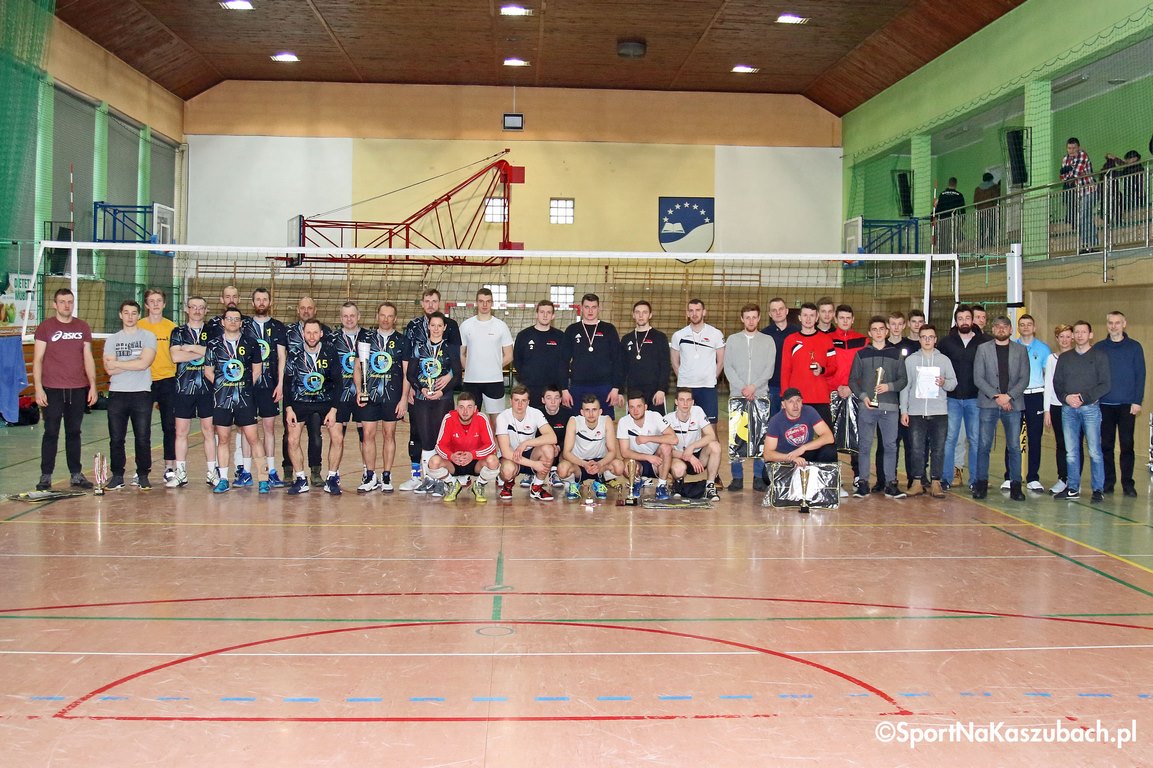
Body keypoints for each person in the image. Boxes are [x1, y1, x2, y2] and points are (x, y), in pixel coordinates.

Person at [33, 288, 97, 491]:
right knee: (51, 432)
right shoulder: (46, 327)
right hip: (52, 389)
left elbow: (88, 358)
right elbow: (38, 359)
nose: (66, 305)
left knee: (74, 432)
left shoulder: (82, 326)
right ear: (55, 304)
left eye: (70, 301)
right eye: (62, 301)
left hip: (77, 389)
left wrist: (93, 385)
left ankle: (76, 474)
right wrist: (38, 388)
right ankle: (46, 476)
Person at [400, 288, 462, 490]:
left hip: (443, 398)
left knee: (441, 437)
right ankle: (425, 478)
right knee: (422, 436)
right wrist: (417, 388)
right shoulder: (417, 342)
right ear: (428, 326)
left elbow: (457, 372)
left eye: (434, 301)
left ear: (444, 327)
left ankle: (442, 478)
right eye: (432, 325)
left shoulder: (450, 342)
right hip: (421, 397)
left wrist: (444, 388)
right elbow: (410, 371)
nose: (435, 328)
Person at [203, 307, 268, 493]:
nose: (232, 322)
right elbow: (208, 371)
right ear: (223, 322)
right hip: (222, 400)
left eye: (236, 319)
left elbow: (257, 369)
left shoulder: (251, 343)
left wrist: (243, 385)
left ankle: (263, 479)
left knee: (253, 438)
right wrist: (224, 385)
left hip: (244, 399)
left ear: (241, 322)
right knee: (223, 439)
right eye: (229, 319)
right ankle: (223, 479)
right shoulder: (213, 344)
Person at [849, 317, 908, 499]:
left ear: (886, 331)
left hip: (890, 408)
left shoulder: (896, 354)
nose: (878, 332)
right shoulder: (861, 354)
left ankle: (890, 484)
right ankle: (863, 483)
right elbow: (853, 380)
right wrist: (863, 396)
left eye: (881, 329)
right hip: (867, 407)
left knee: (890, 446)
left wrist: (889, 386)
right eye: (874, 329)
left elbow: (903, 380)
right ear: (869, 333)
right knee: (865, 445)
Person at [354, 301, 410, 493]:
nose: (385, 319)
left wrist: (403, 399)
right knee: (367, 434)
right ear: (377, 316)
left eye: (389, 316)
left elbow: (407, 373)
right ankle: (370, 475)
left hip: (392, 396)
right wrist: (359, 390)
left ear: (395, 319)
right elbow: (357, 367)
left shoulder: (402, 341)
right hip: (369, 395)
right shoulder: (365, 338)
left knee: (389, 434)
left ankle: (386, 475)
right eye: (383, 315)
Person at [102, 300, 158, 490]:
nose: (130, 316)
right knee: (116, 438)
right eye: (126, 313)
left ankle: (143, 475)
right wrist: (135, 361)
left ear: (139, 315)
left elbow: (144, 364)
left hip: (141, 393)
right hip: (117, 393)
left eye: (134, 313)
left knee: (142, 437)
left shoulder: (148, 336)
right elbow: (109, 369)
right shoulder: (112, 340)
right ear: (120, 315)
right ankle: (117, 476)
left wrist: (119, 363)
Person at [282, 318, 342, 495]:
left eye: (315, 332)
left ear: (321, 334)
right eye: (308, 332)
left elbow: (338, 382)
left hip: (325, 401)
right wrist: (288, 408)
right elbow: (287, 383)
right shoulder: (294, 353)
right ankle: (301, 479)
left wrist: (333, 409)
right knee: (292, 439)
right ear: (303, 334)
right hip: (300, 401)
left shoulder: (330, 351)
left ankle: (331, 479)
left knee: (338, 437)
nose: (312, 336)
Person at [1053, 320, 1111, 502]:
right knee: (1071, 452)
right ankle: (1072, 488)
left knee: (1094, 451)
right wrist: (1066, 398)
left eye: (1083, 332)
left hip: (1090, 409)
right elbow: (1057, 383)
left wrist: (1083, 398)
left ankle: (1098, 489)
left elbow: (1105, 384)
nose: (1079, 335)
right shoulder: (1065, 358)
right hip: (1068, 410)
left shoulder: (1100, 356)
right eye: (1076, 332)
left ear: (1090, 335)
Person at [973, 316, 1029, 501]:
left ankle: (1016, 486)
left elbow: (1024, 378)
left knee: (1014, 446)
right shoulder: (983, 349)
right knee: (983, 445)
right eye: (997, 326)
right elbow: (978, 378)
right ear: (993, 329)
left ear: (1011, 330)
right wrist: (997, 397)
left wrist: (1009, 396)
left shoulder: (1021, 350)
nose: (1001, 329)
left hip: (1013, 404)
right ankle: (981, 484)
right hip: (988, 404)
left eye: (1005, 326)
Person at [723, 303, 775, 491]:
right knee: (737, 438)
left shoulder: (768, 340)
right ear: (742, 319)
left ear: (759, 318)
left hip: (760, 396)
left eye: (754, 317)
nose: (751, 321)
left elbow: (769, 368)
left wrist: (754, 387)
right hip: (738, 396)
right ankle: (737, 477)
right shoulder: (733, 340)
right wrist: (743, 388)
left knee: (760, 437)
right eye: (747, 317)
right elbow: (728, 367)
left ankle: (758, 477)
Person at [900, 324, 956, 498]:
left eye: (930, 337)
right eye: (924, 337)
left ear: (935, 339)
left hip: (939, 412)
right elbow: (905, 387)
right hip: (916, 413)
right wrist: (904, 410)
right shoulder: (911, 361)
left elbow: (953, 383)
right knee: (917, 449)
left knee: (938, 449)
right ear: (919, 339)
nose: (927, 340)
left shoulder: (944, 360)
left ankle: (936, 482)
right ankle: (917, 482)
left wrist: (944, 383)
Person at [761, 387, 838, 513]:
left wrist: (803, 448)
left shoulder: (809, 411)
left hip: (805, 454)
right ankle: (795, 486)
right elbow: (768, 454)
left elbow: (829, 437)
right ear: (783, 405)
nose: (795, 405)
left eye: (798, 401)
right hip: (786, 458)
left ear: (802, 402)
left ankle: (823, 487)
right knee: (766, 475)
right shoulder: (776, 421)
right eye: (791, 402)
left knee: (829, 451)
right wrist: (792, 458)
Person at [1094, 310, 1145, 497]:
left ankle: (1128, 483)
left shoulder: (1134, 347)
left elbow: (1140, 375)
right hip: (1104, 404)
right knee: (1106, 445)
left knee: (1127, 446)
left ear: (1124, 324)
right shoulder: (1099, 347)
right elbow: (1094, 375)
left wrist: (1137, 401)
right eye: (1110, 322)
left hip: (1127, 405)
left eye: (1117, 322)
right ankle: (1108, 482)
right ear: (1107, 325)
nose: (1113, 326)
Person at [168, 295, 216, 488]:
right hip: (183, 388)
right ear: (186, 309)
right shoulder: (178, 331)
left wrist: (189, 348)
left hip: (208, 388)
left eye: (201, 307)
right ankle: (181, 474)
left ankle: (212, 473)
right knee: (181, 432)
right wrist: (202, 351)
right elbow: (175, 356)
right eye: (193, 307)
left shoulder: (213, 331)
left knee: (209, 431)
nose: (197, 310)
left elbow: (215, 353)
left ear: (206, 310)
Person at [283, 296, 331, 487]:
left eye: (309, 308)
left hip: (318, 395)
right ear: (297, 310)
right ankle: (289, 470)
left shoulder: (326, 332)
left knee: (316, 435)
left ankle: (315, 472)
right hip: (296, 395)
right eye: (302, 308)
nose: (306, 311)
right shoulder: (288, 332)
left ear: (315, 310)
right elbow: (282, 360)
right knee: (289, 436)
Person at [324, 302, 372, 495]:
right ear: (340, 317)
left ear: (358, 316)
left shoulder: (369, 336)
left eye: (352, 315)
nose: (349, 319)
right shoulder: (331, 338)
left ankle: (368, 474)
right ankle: (332, 476)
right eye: (345, 316)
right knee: (337, 437)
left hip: (363, 394)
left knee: (365, 436)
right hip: (339, 395)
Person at [939, 305, 988, 490]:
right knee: (950, 438)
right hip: (952, 398)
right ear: (956, 321)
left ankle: (975, 480)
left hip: (975, 399)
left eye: (968, 318)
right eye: (960, 318)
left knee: (974, 439)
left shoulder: (984, 342)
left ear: (972, 320)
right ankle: (946, 478)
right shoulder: (946, 342)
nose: (964, 321)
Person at [243, 288, 288, 488]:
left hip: (270, 386)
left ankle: (271, 472)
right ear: (253, 303)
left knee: (269, 429)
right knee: (247, 429)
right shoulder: (244, 325)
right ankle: (245, 472)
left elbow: (282, 357)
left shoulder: (278, 326)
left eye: (264, 299)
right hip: (248, 386)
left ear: (270, 302)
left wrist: (280, 384)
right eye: (258, 299)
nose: (261, 303)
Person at [426, 391, 500, 503]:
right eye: (461, 407)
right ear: (456, 408)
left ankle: (479, 484)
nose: (465, 411)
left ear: (475, 408)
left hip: (476, 462)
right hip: (453, 462)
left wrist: (472, 455)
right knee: (433, 463)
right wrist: (451, 456)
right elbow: (440, 446)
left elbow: (491, 445)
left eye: (469, 407)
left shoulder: (481, 418)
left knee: (493, 461)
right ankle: (452, 483)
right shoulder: (449, 418)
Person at [137, 288, 177, 485]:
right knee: (142, 428)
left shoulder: (172, 327)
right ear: (146, 305)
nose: (155, 304)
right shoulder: (138, 326)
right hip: (144, 380)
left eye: (158, 300)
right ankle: (142, 469)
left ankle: (169, 467)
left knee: (169, 426)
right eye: (151, 301)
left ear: (164, 304)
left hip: (168, 380)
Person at [562, 293, 623, 414]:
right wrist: (564, 389)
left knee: (605, 421)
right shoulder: (572, 330)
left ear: (599, 309)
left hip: (604, 386)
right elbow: (563, 361)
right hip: (578, 386)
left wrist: (616, 388)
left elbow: (618, 360)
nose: (590, 311)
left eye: (594, 307)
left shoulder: (609, 329)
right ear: (581, 308)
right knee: (577, 421)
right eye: (587, 307)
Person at [495, 385, 558, 501]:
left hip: (530, 452)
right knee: (507, 470)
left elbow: (552, 437)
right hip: (511, 455)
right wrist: (534, 464)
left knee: (549, 449)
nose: (520, 404)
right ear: (510, 401)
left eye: (523, 400)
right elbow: (506, 452)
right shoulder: (502, 417)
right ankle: (508, 484)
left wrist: (526, 443)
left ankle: (537, 487)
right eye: (516, 400)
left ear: (528, 402)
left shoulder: (536, 413)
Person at [779, 302, 838, 426]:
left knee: (827, 435)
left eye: (812, 315)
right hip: (797, 399)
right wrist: (785, 396)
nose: (808, 319)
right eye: (805, 315)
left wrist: (822, 370)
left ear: (817, 318)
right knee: (797, 434)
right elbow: (785, 370)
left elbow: (833, 367)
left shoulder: (826, 339)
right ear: (799, 318)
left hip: (820, 397)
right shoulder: (790, 340)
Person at [557, 393, 625, 501]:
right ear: (582, 412)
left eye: (594, 409)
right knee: (562, 469)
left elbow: (612, 451)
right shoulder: (574, 421)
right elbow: (566, 453)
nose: (591, 414)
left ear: (600, 411)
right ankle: (575, 483)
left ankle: (599, 481)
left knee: (619, 466)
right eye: (587, 410)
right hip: (578, 463)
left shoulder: (606, 420)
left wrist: (599, 464)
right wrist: (583, 464)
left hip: (599, 464)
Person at [460, 287, 513, 421]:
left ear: (492, 303)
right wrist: (470, 369)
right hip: (471, 381)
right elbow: (461, 354)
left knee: (497, 422)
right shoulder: (466, 326)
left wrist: (493, 367)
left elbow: (509, 355)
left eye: (488, 301)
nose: (484, 305)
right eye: (481, 301)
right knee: (469, 420)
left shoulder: (501, 326)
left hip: (494, 381)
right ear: (476, 303)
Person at [827, 304, 866, 489]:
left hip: (855, 393)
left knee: (857, 434)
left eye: (848, 318)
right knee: (830, 436)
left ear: (853, 320)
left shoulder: (862, 340)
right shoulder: (827, 339)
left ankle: (858, 475)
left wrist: (851, 387)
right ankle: (834, 477)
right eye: (841, 317)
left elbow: (866, 369)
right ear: (835, 319)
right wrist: (837, 387)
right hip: (832, 394)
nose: (844, 321)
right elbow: (825, 367)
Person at [671, 298, 725, 429]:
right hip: (685, 387)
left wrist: (711, 378)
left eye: (698, 310)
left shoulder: (716, 334)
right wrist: (684, 377)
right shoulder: (678, 335)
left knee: (711, 430)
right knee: (681, 428)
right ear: (687, 313)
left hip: (707, 388)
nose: (694, 313)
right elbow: (674, 361)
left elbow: (721, 361)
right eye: (691, 310)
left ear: (704, 312)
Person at [1012, 314, 1051, 493]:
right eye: (1022, 324)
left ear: (1034, 328)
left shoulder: (1043, 349)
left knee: (1034, 438)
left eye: (1029, 324)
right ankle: (1010, 476)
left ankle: (1033, 478)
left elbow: (1047, 375)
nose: (1026, 327)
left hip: (1035, 396)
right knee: (1013, 437)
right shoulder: (1012, 346)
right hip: (1016, 396)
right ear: (1018, 328)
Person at [664, 389, 723, 501]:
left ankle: (710, 486)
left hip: (698, 458)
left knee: (715, 446)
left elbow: (711, 435)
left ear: (693, 402)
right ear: (676, 402)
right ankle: (677, 484)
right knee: (678, 469)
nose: (685, 403)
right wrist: (688, 456)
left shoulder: (698, 411)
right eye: (682, 400)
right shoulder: (668, 419)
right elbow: (666, 450)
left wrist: (692, 447)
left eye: (688, 400)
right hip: (678, 457)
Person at [616, 391, 677, 500]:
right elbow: (624, 452)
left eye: (639, 406)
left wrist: (648, 438)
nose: (635, 411)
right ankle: (635, 482)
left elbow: (674, 439)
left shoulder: (655, 416)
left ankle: (661, 485)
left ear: (645, 407)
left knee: (666, 447)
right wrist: (648, 457)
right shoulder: (623, 422)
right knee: (626, 465)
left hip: (657, 461)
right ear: (628, 408)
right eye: (632, 407)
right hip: (637, 461)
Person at [513, 299, 567, 408]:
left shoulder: (560, 336)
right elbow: (517, 360)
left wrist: (563, 388)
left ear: (553, 316)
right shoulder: (523, 335)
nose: (545, 315)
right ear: (536, 314)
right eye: (542, 312)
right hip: (530, 388)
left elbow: (563, 363)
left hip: (553, 390)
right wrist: (527, 378)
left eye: (548, 312)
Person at [621, 300, 671, 414]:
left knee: (657, 424)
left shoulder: (660, 337)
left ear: (650, 315)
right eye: (637, 312)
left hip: (655, 392)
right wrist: (620, 391)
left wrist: (662, 389)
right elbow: (622, 368)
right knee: (634, 423)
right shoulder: (626, 339)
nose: (641, 315)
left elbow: (665, 366)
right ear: (633, 315)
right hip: (633, 392)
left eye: (644, 312)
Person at [1043, 324, 1075, 496]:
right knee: (1061, 443)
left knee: (1075, 444)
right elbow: (1048, 384)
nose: (1065, 340)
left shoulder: (1078, 357)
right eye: (1061, 336)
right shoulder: (1051, 359)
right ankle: (1063, 478)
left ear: (1073, 338)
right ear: (1057, 339)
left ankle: (1074, 480)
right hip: (1056, 406)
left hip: (1074, 407)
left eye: (1068, 336)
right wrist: (1046, 410)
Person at [761, 297, 799, 417]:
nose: (778, 312)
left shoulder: (798, 332)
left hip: (794, 384)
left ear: (787, 311)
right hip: (772, 386)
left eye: (781, 309)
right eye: (774, 310)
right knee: (773, 421)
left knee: (793, 421)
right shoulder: (764, 334)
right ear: (770, 314)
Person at [1059, 137, 1098, 253]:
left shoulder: (1082, 155)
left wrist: (1068, 171)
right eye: (1069, 148)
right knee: (1085, 217)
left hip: (1089, 190)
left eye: (1073, 148)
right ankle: (1091, 244)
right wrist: (1067, 173)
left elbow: (1075, 174)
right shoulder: (1065, 159)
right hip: (1078, 193)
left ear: (1078, 147)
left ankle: (1087, 244)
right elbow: (1063, 178)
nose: (1071, 150)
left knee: (1083, 217)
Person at [540, 385, 571, 488]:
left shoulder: (568, 414)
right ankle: (532, 472)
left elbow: (571, 437)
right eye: (549, 398)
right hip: (543, 448)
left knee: (568, 450)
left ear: (561, 400)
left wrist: (559, 447)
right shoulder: (537, 413)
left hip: (562, 448)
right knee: (544, 449)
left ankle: (555, 472)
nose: (553, 402)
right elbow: (533, 437)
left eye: (556, 398)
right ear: (543, 400)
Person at [934, 177, 966, 253]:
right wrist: (963, 219)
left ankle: (942, 253)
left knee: (942, 237)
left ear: (948, 183)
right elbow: (962, 210)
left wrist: (935, 217)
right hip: (952, 219)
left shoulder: (942, 194)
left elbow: (938, 207)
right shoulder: (959, 195)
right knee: (953, 236)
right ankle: (952, 252)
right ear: (955, 184)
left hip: (942, 219)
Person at [973, 172, 1001, 249]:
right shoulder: (994, 187)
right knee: (993, 228)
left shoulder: (978, 189)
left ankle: (982, 244)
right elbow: (996, 199)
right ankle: (990, 243)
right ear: (991, 179)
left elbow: (975, 202)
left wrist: (979, 208)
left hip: (981, 213)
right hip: (991, 211)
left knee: (982, 229)